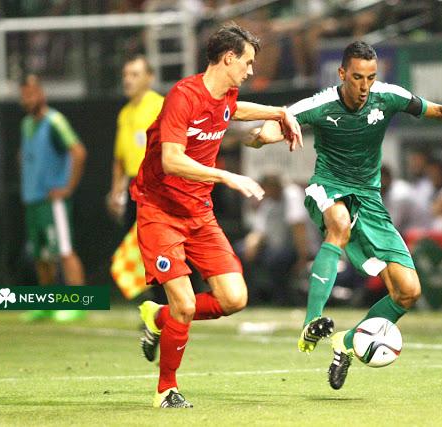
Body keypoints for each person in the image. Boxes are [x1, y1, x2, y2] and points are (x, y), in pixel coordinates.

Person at [254, 41, 442, 390]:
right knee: (339, 225)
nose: (364, 86)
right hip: (329, 187)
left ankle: (346, 344)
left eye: (370, 77)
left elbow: (435, 110)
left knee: (408, 291)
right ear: (342, 73)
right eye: (357, 77)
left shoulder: (388, 97)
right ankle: (311, 322)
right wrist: (260, 138)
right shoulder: (320, 104)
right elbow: (278, 124)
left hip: (370, 200)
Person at [133, 23, 302, 409]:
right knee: (186, 304)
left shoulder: (225, 96)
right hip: (160, 212)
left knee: (233, 298)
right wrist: (225, 176)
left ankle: (159, 318)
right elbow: (171, 160)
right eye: (248, 62)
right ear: (228, 58)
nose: (251, 70)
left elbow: (233, 110)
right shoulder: (183, 96)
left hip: (199, 214)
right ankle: (166, 390)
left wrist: (280, 112)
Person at [19, 74, 88, 322]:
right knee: (41, 255)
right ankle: (46, 304)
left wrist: (67, 186)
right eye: (24, 95)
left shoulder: (55, 121)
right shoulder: (26, 124)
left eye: (32, 94)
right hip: (33, 200)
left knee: (64, 250)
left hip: (53, 201)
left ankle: (78, 303)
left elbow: (78, 151)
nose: (28, 99)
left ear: (42, 94)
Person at [107, 55, 163, 232]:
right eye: (125, 75)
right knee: (134, 240)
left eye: (135, 74)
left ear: (150, 77)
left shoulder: (161, 106)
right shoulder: (124, 114)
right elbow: (120, 158)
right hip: (134, 188)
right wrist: (116, 190)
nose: (128, 80)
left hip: (158, 187)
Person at [236, 174, 310, 305]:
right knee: (239, 251)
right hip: (274, 248)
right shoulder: (268, 202)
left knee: (275, 259)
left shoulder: (291, 193)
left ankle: (282, 299)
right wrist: (251, 245)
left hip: (299, 248)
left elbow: (298, 226)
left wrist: (303, 257)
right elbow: (259, 231)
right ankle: (249, 297)